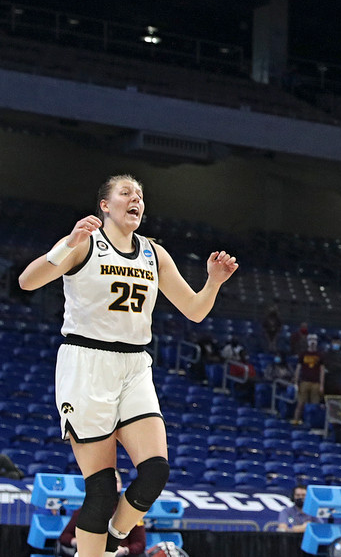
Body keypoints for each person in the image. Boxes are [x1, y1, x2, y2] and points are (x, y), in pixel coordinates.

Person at [18, 175, 237, 557]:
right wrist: (68, 243)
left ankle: (112, 541)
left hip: (134, 364)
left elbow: (194, 310)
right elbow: (26, 281)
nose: (135, 199)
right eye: (125, 193)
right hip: (87, 363)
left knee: (155, 471)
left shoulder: (154, 253)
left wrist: (213, 282)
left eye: (140, 195)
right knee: (102, 490)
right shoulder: (84, 242)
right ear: (105, 205)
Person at [58, 470, 146, 557]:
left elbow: (140, 544)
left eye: (116, 481)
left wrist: (125, 550)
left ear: (121, 485)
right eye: (109, 481)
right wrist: (78, 542)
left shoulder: (129, 511)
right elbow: (65, 536)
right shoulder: (85, 510)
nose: (112, 484)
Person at [292, 334, 325, 425]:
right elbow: (298, 369)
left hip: (316, 383)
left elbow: (322, 371)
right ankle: (296, 421)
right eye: (311, 340)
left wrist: (322, 385)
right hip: (304, 382)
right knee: (300, 403)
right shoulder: (303, 354)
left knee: (315, 404)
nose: (312, 342)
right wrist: (296, 382)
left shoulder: (320, 355)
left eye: (314, 340)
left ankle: (313, 423)